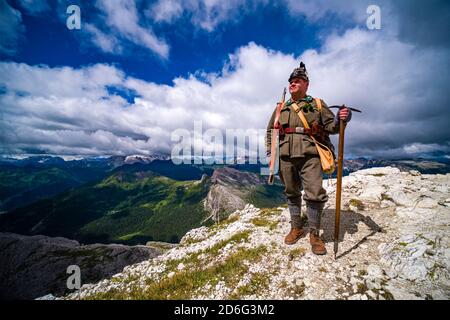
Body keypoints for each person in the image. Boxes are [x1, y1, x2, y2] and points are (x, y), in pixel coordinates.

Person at [266, 62, 351, 255]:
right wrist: (271, 151)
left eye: (297, 81)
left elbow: (333, 127)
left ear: (306, 84)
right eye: (291, 82)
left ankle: (314, 234)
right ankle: (296, 228)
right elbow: (271, 129)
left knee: (314, 192)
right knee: (291, 192)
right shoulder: (281, 108)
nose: (293, 84)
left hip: (310, 154)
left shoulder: (318, 105)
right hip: (285, 155)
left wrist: (343, 118)